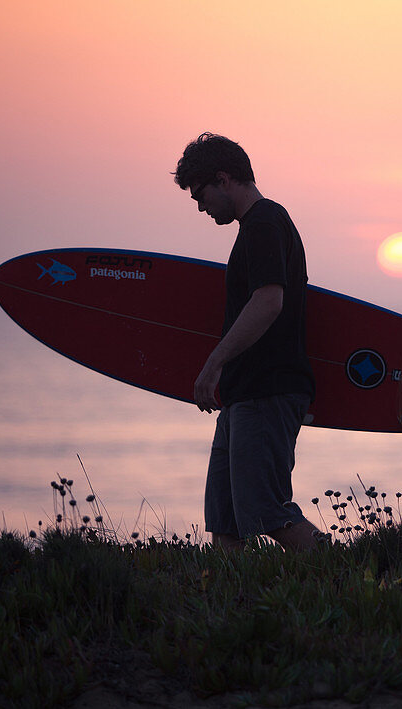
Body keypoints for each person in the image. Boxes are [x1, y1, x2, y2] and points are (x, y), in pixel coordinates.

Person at [173, 133, 320, 552]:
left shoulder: (265, 223)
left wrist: (213, 363)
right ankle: (237, 612)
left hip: (268, 389)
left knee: (267, 512)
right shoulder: (253, 229)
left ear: (224, 179)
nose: (202, 207)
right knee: (225, 523)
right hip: (243, 394)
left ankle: (351, 579)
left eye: (201, 195)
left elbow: (269, 300)